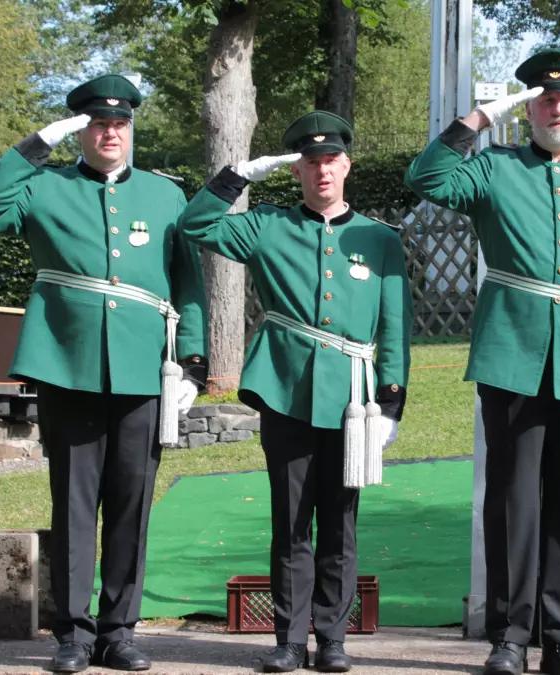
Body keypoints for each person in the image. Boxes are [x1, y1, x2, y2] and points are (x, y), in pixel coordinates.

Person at [404, 47, 560, 675]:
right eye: (543, 99)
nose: (556, 107)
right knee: (513, 501)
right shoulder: (494, 170)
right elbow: (426, 178)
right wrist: (479, 119)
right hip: (511, 353)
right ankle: (510, 636)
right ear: (529, 109)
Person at [0, 74, 208, 673]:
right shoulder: (45, 187)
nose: (110, 134)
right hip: (67, 363)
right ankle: (71, 635)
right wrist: (36, 144)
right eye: (98, 125)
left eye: (120, 125)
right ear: (82, 131)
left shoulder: (165, 195)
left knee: (132, 501)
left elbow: (188, 284)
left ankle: (119, 631)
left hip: (143, 367)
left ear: (131, 130)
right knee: (74, 503)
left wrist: (193, 365)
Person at [179, 111, 411, 673]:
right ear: (297, 172)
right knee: (290, 520)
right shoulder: (267, 225)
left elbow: (396, 327)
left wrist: (392, 402)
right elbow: (194, 226)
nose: (321, 170)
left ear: (346, 165)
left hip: (353, 401)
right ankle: (288, 639)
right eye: (310, 163)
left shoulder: (378, 240)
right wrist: (238, 176)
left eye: (330, 160)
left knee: (340, 522)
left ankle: (332, 637)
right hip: (286, 389)